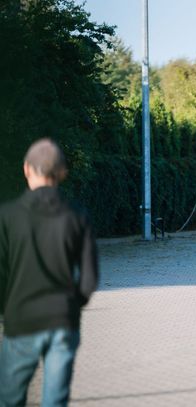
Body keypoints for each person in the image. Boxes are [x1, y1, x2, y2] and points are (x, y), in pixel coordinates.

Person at [0, 139, 99, 407]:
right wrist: (72, 305)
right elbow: (89, 278)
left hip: (20, 319)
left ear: (26, 169)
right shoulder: (77, 216)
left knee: (9, 399)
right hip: (62, 320)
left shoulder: (7, 217)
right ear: (62, 173)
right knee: (55, 400)